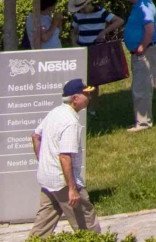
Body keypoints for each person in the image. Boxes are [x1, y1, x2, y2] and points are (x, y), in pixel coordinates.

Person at [28, 78, 94, 237]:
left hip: (47, 179)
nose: (90, 97)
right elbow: (65, 156)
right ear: (75, 99)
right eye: (86, 94)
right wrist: (72, 189)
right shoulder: (70, 122)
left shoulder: (55, 112)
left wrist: (44, 162)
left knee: (42, 227)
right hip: (63, 182)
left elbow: (35, 136)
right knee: (86, 222)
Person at [123, 0, 156, 130]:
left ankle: (143, 122)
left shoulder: (143, 6)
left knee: (141, 86)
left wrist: (141, 47)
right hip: (143, 50)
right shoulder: (141, 4)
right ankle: (142, 119)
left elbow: (149, 28)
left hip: (145, 51)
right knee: (140, 85)